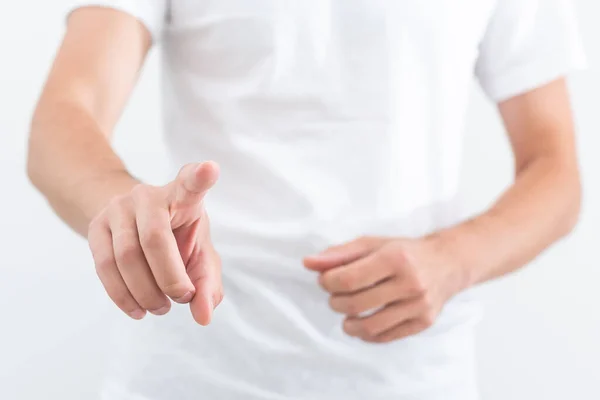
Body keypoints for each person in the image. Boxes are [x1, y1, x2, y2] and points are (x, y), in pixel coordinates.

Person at [27, 0, 586, 399]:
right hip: (189, 367)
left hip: (409, 373)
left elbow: (556, 172)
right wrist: (121, 208)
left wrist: (455, 259)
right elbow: (65, 116)